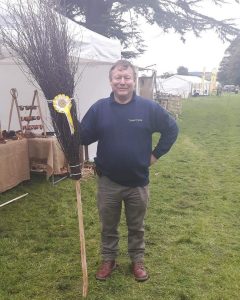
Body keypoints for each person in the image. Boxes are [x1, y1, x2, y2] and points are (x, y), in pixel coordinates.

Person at [80, 60, 179, 282]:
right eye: (118, 77)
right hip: (108, 181)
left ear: (134, 80)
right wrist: (67, 120)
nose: (122, 82)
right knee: (108, 225)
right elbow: (84, 137)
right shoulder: (99, 108)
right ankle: (109, 260)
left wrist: (155, 155)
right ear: (111, 80)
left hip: (138, 181)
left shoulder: (148, 108)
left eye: (126, 78)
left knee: (136, 226)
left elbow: (172, 129)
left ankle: (137, 261)